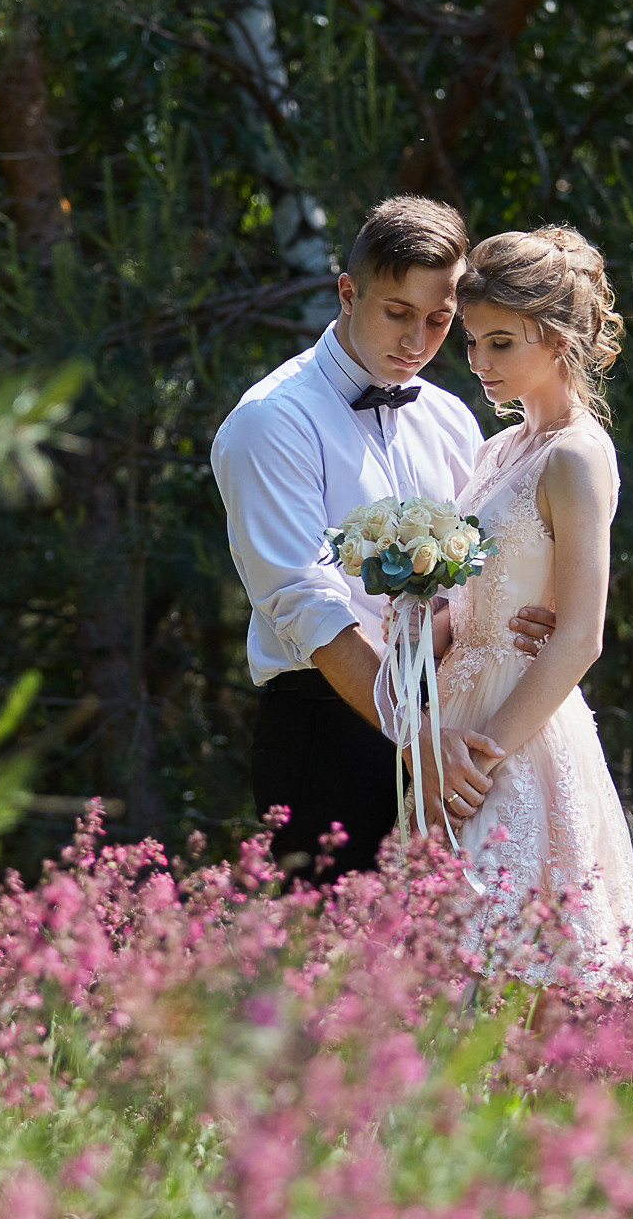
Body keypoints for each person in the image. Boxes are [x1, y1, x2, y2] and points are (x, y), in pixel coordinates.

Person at [211, 196, 554, 873]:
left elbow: (483, 564)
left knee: (451, 970)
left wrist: (520, 616)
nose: (418, 341)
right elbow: (305, 604)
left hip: (453, 720)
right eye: (398, 313)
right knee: (335, 968)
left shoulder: (454, 418)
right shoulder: (271, 422)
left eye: (439, 320)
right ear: (348, 291)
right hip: (326, 732)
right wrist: (412, 736)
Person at [397, 224, 633, 982]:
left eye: (501, 342)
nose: (478, 363)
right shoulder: (498, 449)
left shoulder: (576, 454)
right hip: (452, 717)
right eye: (472, 342)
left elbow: (582, 634)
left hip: (514, 733)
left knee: (520, 973)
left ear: (557, 335)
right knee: (442, 977)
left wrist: (484, 750)